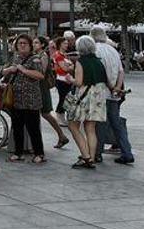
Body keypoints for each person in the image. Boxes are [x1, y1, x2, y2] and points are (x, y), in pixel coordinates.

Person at [1, 34, 46, 164]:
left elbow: (40, 75)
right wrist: (10, 69)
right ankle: (18, 152)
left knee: (33, 128)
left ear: (30, 45)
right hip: (16, 98)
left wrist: (23, 70)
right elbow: (3, 72)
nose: (22, 45)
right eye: (20, 43)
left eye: (24, 43)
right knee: (17, 126)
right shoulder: (15, 58)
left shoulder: (35, 59)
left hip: (31, 99)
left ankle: (39, 153)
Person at [90, 26, 132, 165]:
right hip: (115, 94)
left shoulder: (94, 50)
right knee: (117, 124)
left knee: (100, 124)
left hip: (101, 92)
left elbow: (101, 72)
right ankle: (127, 152)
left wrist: (111, 87)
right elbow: (121, 71)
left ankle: (97, 153)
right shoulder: (113, 50)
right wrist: (118, 88)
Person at [66, 36, 109, 169]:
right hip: (98, 97)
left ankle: (86, 157)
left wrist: (70, 78)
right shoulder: (98, 61)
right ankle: (91, 157)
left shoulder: (81, 62)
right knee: (90, 128)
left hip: (84, 97)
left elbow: (79, 82)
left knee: (73, 125)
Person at [34, 36, 69, 149]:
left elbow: (42, 73)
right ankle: (61, 136)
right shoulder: (38, 55)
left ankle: (61, 135)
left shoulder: (43, 56)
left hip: (41, 87)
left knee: (45, 113)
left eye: (36, 43)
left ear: (42, 45)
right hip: (39, 87)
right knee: (44, 113)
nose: (34, 45)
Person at [53, 37, 74, 126]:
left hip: (66, 79)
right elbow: (65, 68)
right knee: (63, 98)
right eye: (65, 43)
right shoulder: (58, 55)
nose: (66, 45)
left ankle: (62, 116)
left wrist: (70, 66)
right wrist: (71, 66)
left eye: (67, 43)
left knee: (65, 98)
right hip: (61, 79)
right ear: (60, 44)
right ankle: (59, 116)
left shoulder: (64, 55)